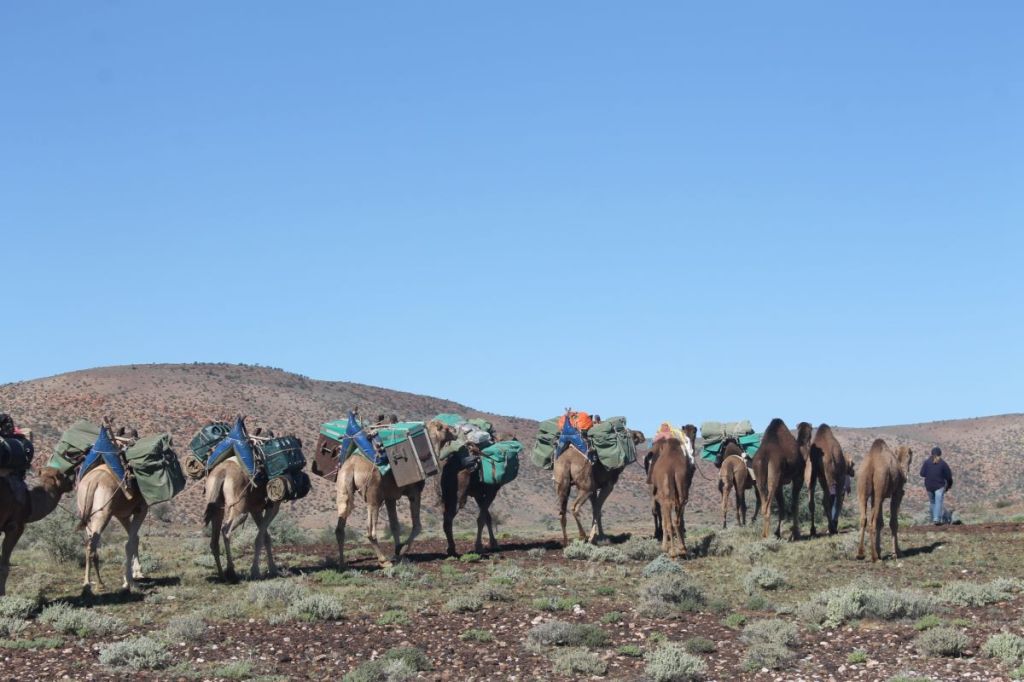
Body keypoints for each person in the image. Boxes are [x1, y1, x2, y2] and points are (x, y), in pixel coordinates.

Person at [920, 446, 953, 525]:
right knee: (938, 502)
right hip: (939, 485)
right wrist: (948, 486)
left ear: (931, 454)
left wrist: (929, 474)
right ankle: (936, 519)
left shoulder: (927, 462)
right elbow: (949, 476)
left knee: (932, 502)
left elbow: (922, 474)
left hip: (929, 486)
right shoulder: (943, 463)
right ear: (940, 454)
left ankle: (933, 519)